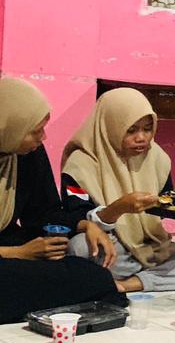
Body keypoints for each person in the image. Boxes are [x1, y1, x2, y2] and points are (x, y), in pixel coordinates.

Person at [62, 88, 175, 292]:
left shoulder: (157, 157)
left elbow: (156, 209)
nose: (142, 138)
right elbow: (77, 218)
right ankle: (161, 276)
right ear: (109, 127)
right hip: (115, 248)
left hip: (153, 247)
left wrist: (174, 198)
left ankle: (129, 284)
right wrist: (119, 208)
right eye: (131, 130)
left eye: (148, 129)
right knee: (79, 247)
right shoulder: (80, 165)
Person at [0, 78, 121, 323]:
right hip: (8, 254)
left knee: (94, 277)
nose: (42, 138)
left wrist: (86, 225)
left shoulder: (25, 154)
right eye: (35, 131)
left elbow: (43, 213)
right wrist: (16, 253)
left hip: (11, 247)